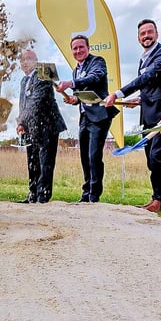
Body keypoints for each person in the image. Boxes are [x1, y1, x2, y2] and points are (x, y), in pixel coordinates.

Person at [106, 20, 161, 212]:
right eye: (142, 34)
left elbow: (147, 78)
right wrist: (139, 99)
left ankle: (160, 201)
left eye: (149, 32)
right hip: (148, 114)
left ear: (156, 33)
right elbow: (151, 86)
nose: (146, 36)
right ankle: (156, 197)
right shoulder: (143, 58)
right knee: (150, 157)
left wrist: (119, 94)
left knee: (156, 155)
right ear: (138, 38)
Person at [57, 35, 118, 203]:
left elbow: (94, 78)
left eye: (81, 47)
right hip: (84, 116)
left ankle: (94, 194)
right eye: (75, 48)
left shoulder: (98, 61)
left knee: (93, 155)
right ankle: (86, 192)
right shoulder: (75, 70)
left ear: (88, 48)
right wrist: (74, 99)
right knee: (84, 156)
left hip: (99, 115)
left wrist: (71, 84)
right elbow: (84, 93)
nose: (78, 51)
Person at [17, 49, 67, 203]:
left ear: (36, 60)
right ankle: (32, 194)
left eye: (29, 58)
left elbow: (36, 101)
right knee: (32, 162)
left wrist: (21, 120)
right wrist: (22, 124)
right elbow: (23, 103)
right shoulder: (24, 81)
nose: (25, 62)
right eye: (22, 60)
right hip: (32, 127)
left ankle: (43, 195)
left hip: (48, 126)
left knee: (45, 162)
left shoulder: (44, 74)